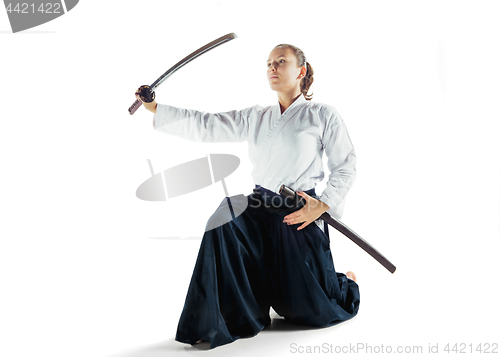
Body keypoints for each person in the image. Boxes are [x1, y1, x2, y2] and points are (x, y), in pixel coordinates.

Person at [135, 43, 360, 349]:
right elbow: (207, 125)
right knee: (223, 219)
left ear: (301, 71)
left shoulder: (322, 115)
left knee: (310, 312)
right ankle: (219, 319)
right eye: (269, 63)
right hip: (258, 208)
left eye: (281, 62)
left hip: (297, 214)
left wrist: (320, 205)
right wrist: (155, 108)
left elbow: (345, 166)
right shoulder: (257, 116)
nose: (272, 68)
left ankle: (344, 284)